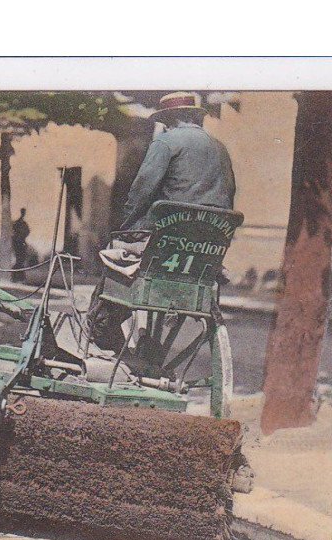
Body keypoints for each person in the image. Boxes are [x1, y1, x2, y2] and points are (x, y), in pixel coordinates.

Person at [89, 91, 236, 350]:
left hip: (167, 238)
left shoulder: (167, 142)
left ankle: (102, 326)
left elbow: (142, 189)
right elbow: (230, 192)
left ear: (171, 119)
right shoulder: (219, 147)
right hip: (207, 246)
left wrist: (127, 225)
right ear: (194, 117)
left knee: (117, 255)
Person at [11, 207, 30, 282]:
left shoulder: (23, 223)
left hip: (21, 243)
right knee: (19, 261)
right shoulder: (18, 223)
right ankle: (16, 277)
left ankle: (19, 277)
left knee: (21, 261)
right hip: (18, 243)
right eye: (23, 212)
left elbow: (27, 232)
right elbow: (14, 232)